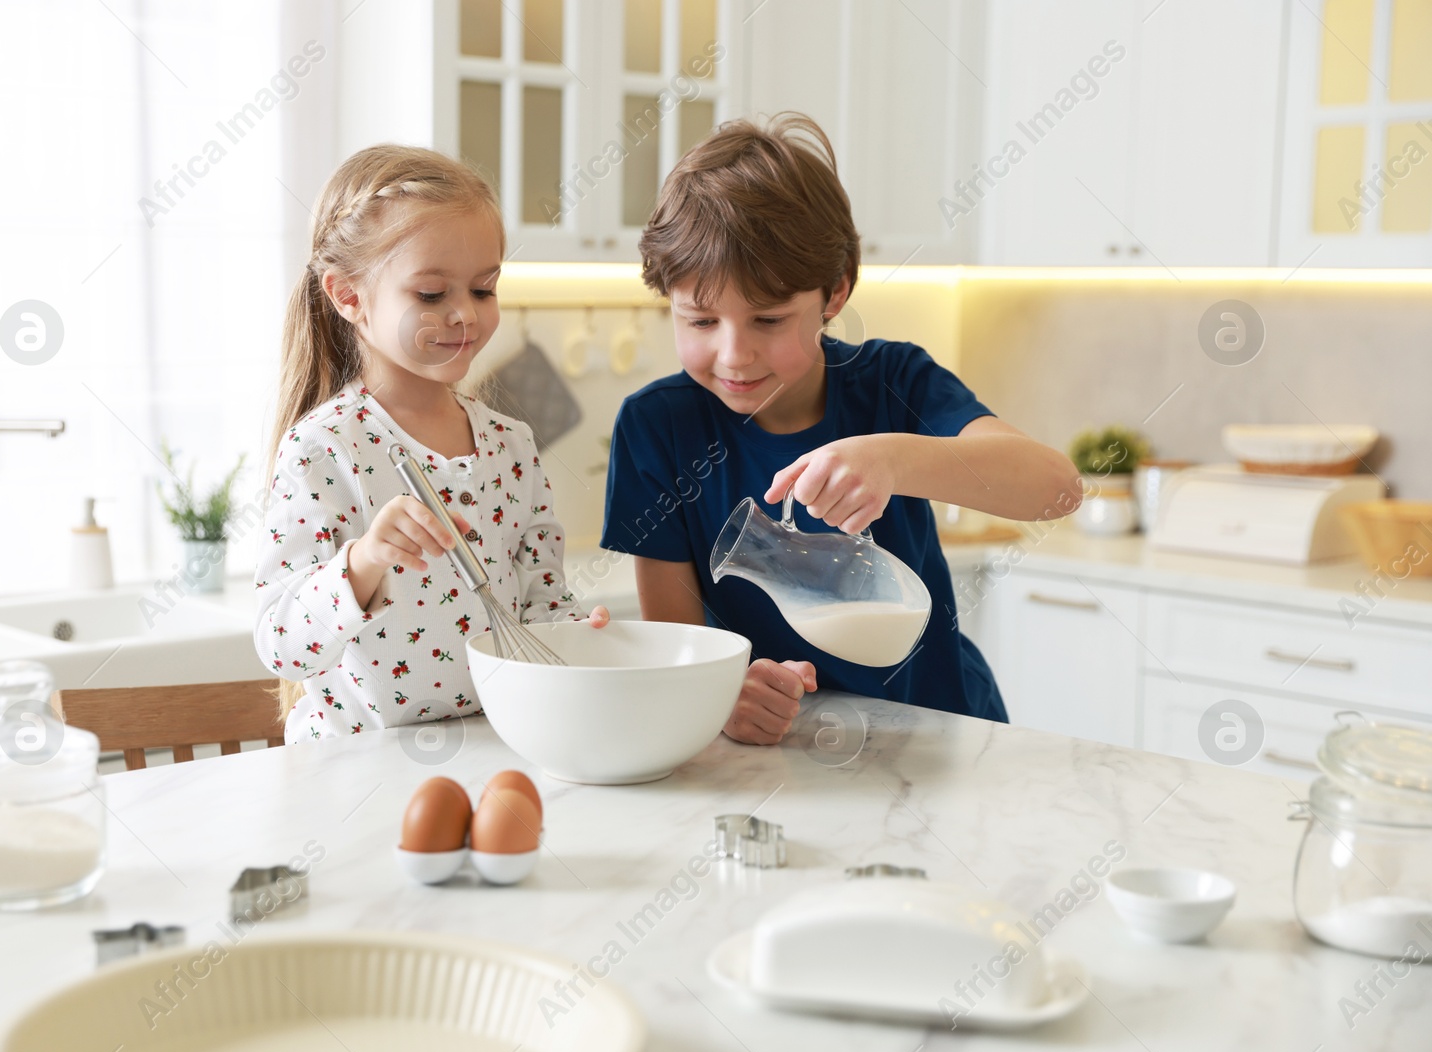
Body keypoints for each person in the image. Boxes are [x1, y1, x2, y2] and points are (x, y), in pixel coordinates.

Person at [601, 113, 1080, 745]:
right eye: (700, 321)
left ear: (834, 294)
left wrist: (897, 461)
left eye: (769, 320)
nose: (734, 354)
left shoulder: (893, 382)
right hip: (783, 752)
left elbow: (1057, 489)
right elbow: (679, 652)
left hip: (939, 732)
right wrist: (726, 697)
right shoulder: (656, 427)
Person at [255, 145, 607, 741]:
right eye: (431, 295)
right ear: (348, 297)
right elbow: (283, 644)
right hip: (350, 775)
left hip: (491, 751)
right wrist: (364, 561)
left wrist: (581, 631)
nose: (465, 315)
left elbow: (542, 605)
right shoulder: (324, 450)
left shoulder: (512, 446)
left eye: (483, 289)